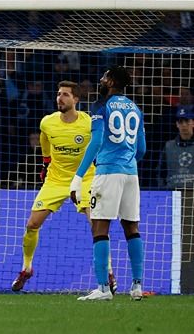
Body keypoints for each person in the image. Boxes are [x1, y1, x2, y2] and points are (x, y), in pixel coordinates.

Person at [11, 81, 115, 293]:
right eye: (58, 94)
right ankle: (26, 268)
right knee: (32, 224)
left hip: (86, 179)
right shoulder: (47, 123)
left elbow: (103, 144)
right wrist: (46, 164)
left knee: (96, 225)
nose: (60, 98)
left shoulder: (88, 123)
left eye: (65, 94)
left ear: (76, 100)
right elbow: (45, 144)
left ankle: (109, 272)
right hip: (56, 180)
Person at [70, 66, 146, 301]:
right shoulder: (135, 108)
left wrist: (79, 176)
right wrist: (126, 160)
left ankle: (103, 288)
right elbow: (141, 149)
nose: (101, 80)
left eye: (104, 76)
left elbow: (97, 141)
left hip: (107, 173)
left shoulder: (101, 105)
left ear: (111, 81)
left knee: (100, 228)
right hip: (131, 174)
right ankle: (137, 287)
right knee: (131, 228)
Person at [158, 106, 194, 189]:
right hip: (173, 192)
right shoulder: (168, 146)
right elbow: (160, 172)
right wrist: (163, 188)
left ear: (193, 123)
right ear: (177, 124)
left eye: (187, 121)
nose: (184, 125)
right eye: (181, 122)